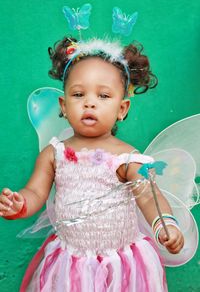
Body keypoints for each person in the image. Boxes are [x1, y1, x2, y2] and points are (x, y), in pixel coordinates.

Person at [0, 36, 184, 291]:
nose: (90, 102)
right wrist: (20, 204)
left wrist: (166, 224)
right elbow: (36, 191)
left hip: (121, 264)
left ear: (122, 108)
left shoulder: (128, 158)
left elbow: (149, 197)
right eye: (78, 94)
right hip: (71, 262)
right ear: (64, 106)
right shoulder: (54, 153)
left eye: (104, 95)